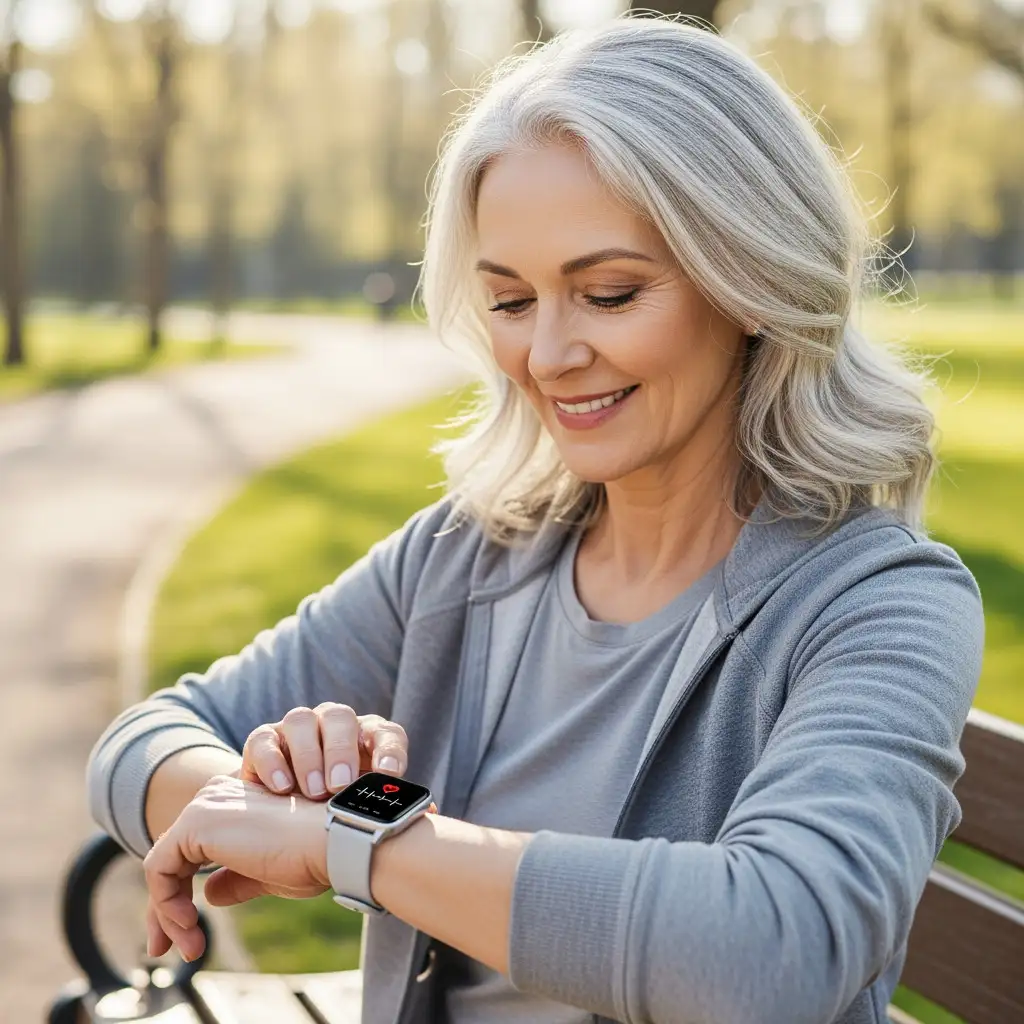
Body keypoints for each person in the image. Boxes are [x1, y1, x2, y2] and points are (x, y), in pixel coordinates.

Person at [86, 14, 985, 1024]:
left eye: (606, 293)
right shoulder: (468, 557)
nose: (549, 355)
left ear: (752, 282)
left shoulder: (876, 603)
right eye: (510, 303)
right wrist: (258, 794)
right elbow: (143, 739)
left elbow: (770, 952)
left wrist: (351, 838)